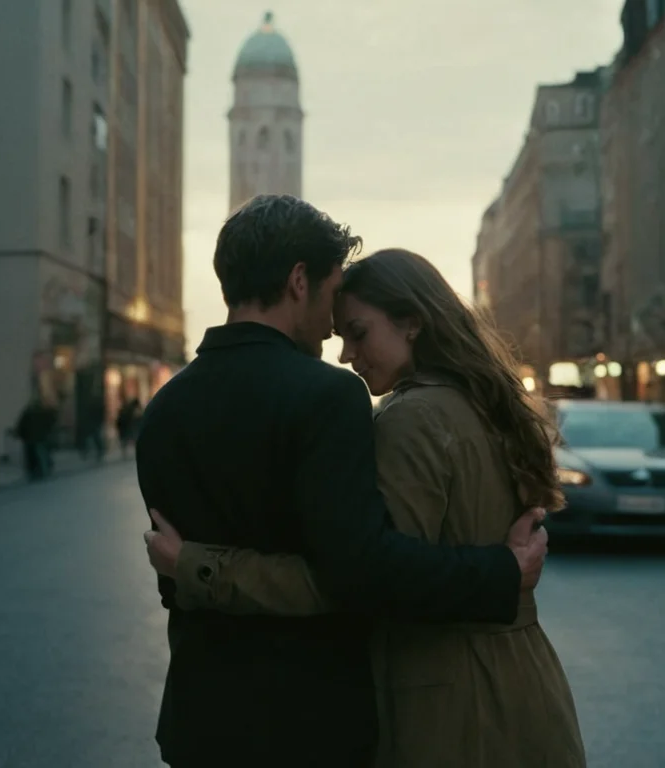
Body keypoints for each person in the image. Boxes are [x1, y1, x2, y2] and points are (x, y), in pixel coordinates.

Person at [132, 196, 549, 768]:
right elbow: (359, 571)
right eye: (331, 300)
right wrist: (502, 571)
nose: (333, 333)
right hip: (310, 723)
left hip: (201, 721)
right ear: (299, 281)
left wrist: (194, 566)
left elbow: (172, 585)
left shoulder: (162, 410)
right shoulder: (327, 397)